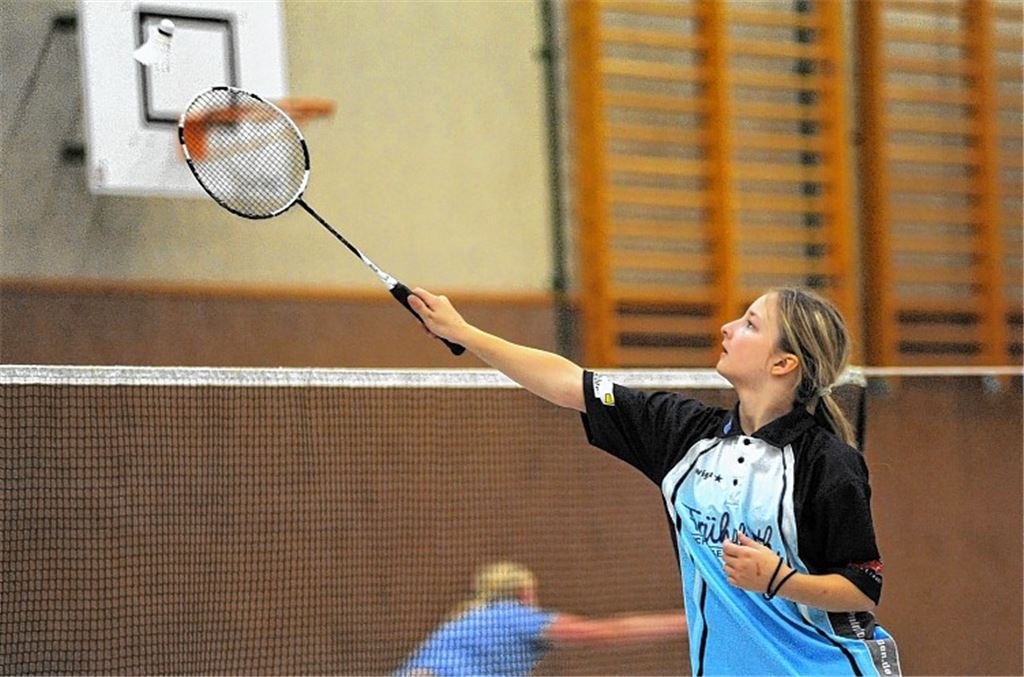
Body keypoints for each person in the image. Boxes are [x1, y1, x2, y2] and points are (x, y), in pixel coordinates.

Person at [407, 287, 901, 676]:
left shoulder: (828, 463)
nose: (728, 328)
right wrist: (463, 331)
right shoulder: (683, 434)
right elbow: (568, 382)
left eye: (750, 324)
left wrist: (779, 580)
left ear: (783, 363)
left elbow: (862, 586)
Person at [394, 561, 687, 676]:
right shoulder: (515, 617)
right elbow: (606, 632)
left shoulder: (466, 618)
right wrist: (690, 622)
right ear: (524, 593)